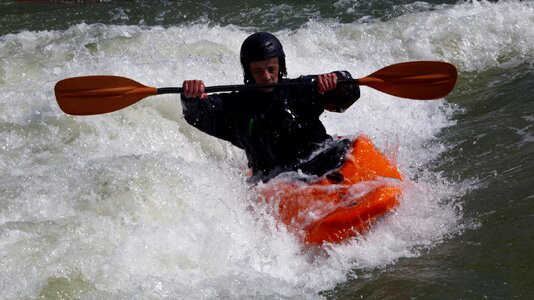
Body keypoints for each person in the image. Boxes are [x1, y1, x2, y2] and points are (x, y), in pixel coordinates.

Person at [181, 32, 360, 183]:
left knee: (348, 147)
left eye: (271, 68)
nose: (266, 76)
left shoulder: (301, 90)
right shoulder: (235, 107)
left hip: (322, 161)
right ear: (248, 72)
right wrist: (191, 98)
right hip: (278, 183)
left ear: (280, 65)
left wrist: (337, 80)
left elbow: (347, 96)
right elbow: (197, 115)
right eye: (258, 71)